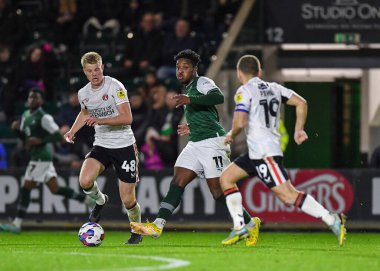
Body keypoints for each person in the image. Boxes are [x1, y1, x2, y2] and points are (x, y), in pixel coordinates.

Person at [131, 49, 260, 247]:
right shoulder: (190, 88)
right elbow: (210, 116)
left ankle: (250, 223)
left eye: (185, 67)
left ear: (195, 69)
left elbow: (218, 98)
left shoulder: (202, 82)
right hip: (196, 142)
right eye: (178, 67)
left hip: (212, 143)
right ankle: (158, 225)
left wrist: (189, 99)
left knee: (218, 192)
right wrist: (192, 126)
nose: (180, 71)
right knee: (178, 180)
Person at [219, 55, 347, 246]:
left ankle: (331, 219)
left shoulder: (244, 91)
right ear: (260, 72)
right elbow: (301, 102)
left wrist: (231, 134)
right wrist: (299, 129)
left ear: (239, 74)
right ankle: (241, 227)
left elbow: (240, 122)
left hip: (264, 153)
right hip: (257, 153)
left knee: (288, 195)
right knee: (226, 178)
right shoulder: (275, 88)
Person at [63, 52, 143, 245]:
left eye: (97, 69)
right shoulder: (83, 93)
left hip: (124, 145)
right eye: (90, 71)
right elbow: (84, 114)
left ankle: (137, 232)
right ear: (84, 72)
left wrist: (100, 120)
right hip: (102, 144)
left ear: (102, 67)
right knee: (84, 180)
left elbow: (127, 118)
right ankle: (100, 200)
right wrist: (72, 131)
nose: (94, 74)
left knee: (128, 199)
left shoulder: (115, 86)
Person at [0, 88, 94, 234]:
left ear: (41, 101)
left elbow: (57, 135)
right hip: (37, 155)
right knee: (55, 189)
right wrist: (17, 130)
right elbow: (26, 140)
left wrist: (41, 140)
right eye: (31, 97)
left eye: (36, 98)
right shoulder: (25, 115)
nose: (33, 100)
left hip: (41, 156)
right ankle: (88, 200)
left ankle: (17, 223)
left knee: (26, 188)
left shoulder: (44, 117)